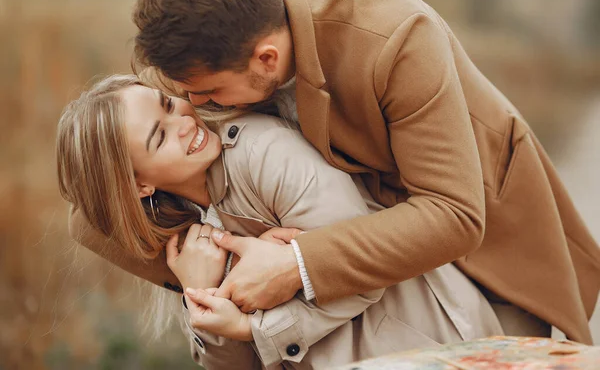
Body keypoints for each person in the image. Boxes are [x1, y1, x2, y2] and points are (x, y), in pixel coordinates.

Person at [119, 0, 600, 344]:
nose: (194, 108)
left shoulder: (396, 36)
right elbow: (95, 201)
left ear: (266, 59)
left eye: (208, 93)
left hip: (487, 244)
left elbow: (454, 216)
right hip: (366, 268)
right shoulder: (209, 44)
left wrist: (293, 265)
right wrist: (203, 270)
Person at [58, 75, 504, 369]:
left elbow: (366, 272)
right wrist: (204, 296)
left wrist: (254, 326)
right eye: (159, 136)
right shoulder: (186, 240)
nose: (182, 121)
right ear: (140, 186)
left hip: (428, 348)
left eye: (167, 105)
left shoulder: (263, 151)